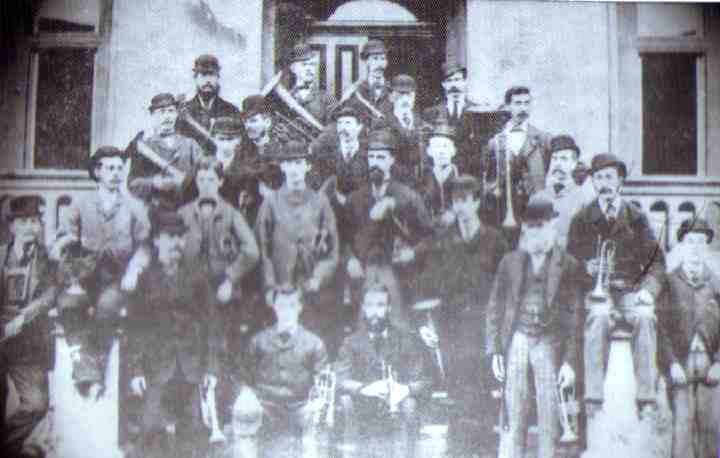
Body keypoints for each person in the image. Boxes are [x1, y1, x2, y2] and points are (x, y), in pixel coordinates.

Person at [566, 153, 665, 422]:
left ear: (620, 180)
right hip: (598, 292)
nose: (604, 183)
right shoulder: (582, 218)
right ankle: (593, 400)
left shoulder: (636, 217)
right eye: (598, 178)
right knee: (597, 319)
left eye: (609, 177)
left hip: (631, 292)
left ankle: (646, 399)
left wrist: (648, 290)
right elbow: (568, 261)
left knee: (646, 317)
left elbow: (657, 262)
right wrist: (585, 268)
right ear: (593, 183)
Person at [415, 174, 509, 457]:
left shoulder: (495, 240)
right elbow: (426, 285)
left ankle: (485, 450)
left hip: (484, 328)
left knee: (482, 392)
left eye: (466, 200)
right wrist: (425, 323)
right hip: (451, 327)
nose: (461, 207)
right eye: (456, 201)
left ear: (477, 201)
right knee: (457, 391)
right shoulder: (442, 241)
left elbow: (505, 288)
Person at [486, 195, 581, 458]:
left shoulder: (569, 265)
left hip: (549, 340)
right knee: (513, 407)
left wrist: (569, 362)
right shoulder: (510, 262)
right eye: (530, 227)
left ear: (552, 227)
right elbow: (494, 307)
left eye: (541, 226)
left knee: (549, 409)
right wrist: (494, 349)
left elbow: (575, 316)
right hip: (517, 338)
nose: (535, 233)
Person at [52, 146, 150, 396]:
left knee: (107, 307)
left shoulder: (135, 207)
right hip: (84, 276)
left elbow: (145, 246)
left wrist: (134, 271)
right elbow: (66, 239)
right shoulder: (81, 204)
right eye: (110, 168)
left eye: (120, 168)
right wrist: (68, 269)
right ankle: (87, 373)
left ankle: (93, 377)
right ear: (97, 171)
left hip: (117, 278)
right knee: (69, 305)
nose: (116, 173)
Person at [128, 210, 222, 458]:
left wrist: (212, 367)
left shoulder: (197, 276)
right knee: (150, 430)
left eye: (181, 237)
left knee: (193, 432)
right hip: (157, 368)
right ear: (157, 240)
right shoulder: (146, 278)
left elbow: (213, 324)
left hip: (192, 369)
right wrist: (136, 370)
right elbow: (136, 327)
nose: (177, 243)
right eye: (170, 237)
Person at [254, 140, 341, 356]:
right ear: (283, 167)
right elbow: (261, 249)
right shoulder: (271, 203)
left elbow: (331, 251)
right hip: (280, 290)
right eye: (289, 163)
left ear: (307, 166)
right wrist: (270, 285)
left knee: (314, 346)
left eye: (299, 163)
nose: (294, 169)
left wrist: (318, 278)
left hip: (312, 290)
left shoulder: (320, 202)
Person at [347, 129, 434, 331]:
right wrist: (349, 259)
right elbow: (344, 236)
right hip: (363, 274)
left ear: (391, 159)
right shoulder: (355, 199)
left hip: (399, 275)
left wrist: (412, 252)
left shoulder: (408, 196)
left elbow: (429, 237)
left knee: (399, 327)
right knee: (363, 327)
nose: (375, 162)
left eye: (381, 157)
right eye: (371, 157)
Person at [334, 283, 433, 458]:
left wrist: (405, 389)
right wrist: (365, 388)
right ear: (363, 309)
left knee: (410, 404)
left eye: (380, 305)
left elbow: (424, 380)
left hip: (396, 404)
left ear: (389, 308)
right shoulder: (351, 342)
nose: (374, 311)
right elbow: (341, 379)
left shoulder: (406, 339)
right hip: (364, 406)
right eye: (370, 305)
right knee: (345, 399)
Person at [229, 286, 328, 458]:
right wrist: (246, 394)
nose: (287, 311)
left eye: (292, 306)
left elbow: (322, 380)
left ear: (300, 308)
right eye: (282, 306)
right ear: (274, 307)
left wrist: (317, 400)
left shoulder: (314, 343)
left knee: (316, 418)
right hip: (266, 405)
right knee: (245, 409)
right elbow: (243, 376)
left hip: (300, 406)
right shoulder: (258, 341)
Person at [178, 157, 259, 346]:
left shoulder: (232, 214)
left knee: (221, 342)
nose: (206, 185)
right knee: (190, 342)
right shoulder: (183, 214)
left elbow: (251, 251)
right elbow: (172, 250)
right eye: (202, 180)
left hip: (221, 290)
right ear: (196, 182)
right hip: (191, 290)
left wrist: (230, 280)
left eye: (211, 180)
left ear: (220, 182)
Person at [657, 218, 720, 458]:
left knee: (711, 430)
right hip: (679, 366)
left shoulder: (716, 283)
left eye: (701, 243)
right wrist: (671, 363)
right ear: (681, 246)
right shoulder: (669, 282)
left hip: (710, 366)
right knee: (681, 429)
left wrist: (718, 362)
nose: (695, 248)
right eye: (690, 242)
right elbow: (660, 328)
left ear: (707, 248)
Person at [0, 196, 57, 458]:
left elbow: (50, 294)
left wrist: (23, 317)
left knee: (36, 404)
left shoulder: (49, 258)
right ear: (12, 226)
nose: (29, 227)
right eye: (23, 221)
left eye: (34, 221)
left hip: (28, 343)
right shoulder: (1, 255)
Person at [484, 86, 552, 242]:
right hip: (505, 208)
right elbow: (488, 179)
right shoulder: (495, 142)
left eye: (527, 103)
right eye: (518, 103)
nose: (523, 108)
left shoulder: (543, 139)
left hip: (534, 205)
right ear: (508, 106)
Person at [126, 93, 205, 210]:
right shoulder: (145, 146)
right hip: (156, 211)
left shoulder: (190, 144)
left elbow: (205, 173)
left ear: (176, 114)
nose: (167, 116)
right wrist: (154, 183)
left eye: (171, 111)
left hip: (187, 209)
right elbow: (133, 184)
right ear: (153, 115)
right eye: (162, 112)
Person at [532, 135, 594, 248]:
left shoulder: (585, 199)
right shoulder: (537, 199)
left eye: (564, 159)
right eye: (554, 159)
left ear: (574, 164)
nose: (557, 164)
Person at [423, 62, 485, 173]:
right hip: (442, 171)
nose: (454, 85)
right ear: (443, 84)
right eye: (449, 81)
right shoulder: (432, 113)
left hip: (470, 172)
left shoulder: (477, 112)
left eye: (457, 80)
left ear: (465, 82)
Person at [177, 54, 241, 153]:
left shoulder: (231, 110)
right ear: (195, 78)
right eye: (203, 75)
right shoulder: (184, 112)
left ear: (218, 77)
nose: (207, 81)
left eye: (211, 75)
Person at [381, 74, 428, 178]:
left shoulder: (423, 124)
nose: (405, 99)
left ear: (414, 96)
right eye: (400, 94)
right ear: (391, 96)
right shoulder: (383, 123)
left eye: (409, 94)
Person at [417, 122, 461, 228]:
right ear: (429, 151)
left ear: (454, 151)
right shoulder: (422, 178)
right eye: (437, 146)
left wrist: (454, 213)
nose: (441, 152)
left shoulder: (462, 176)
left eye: (446, 146)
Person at [285, 42, 335, 126]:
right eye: (304, 65)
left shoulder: (327, 99)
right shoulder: (286, 98)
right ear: (293, 68)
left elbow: (333, 129)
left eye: (312, 65)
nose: (309, 69)